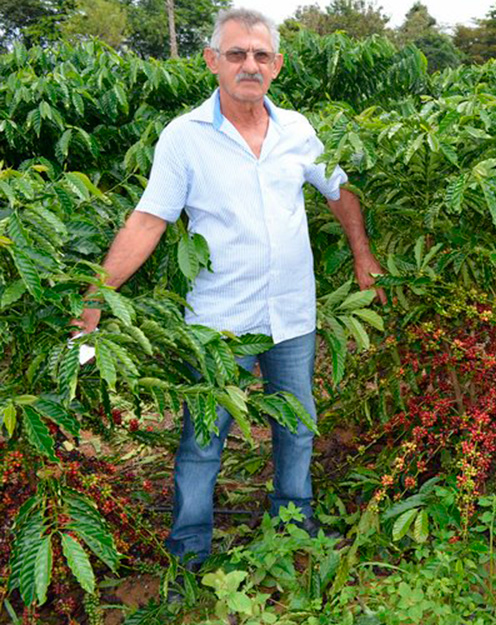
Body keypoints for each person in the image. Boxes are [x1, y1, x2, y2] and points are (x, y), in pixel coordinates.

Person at [72, 8, 385, 567]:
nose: (250, 65)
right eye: (237, 54)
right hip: (218, 322)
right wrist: (98, 291)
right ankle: (190, 548)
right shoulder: (184, 137)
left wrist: (363, 254)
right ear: (212, 61)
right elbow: (149, 219)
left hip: (291, 316)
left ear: (277, 65)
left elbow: (340, 192)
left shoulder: (298, 131)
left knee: (297, 427)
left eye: (261, 55)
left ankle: (294, 522)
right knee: (202, 440)